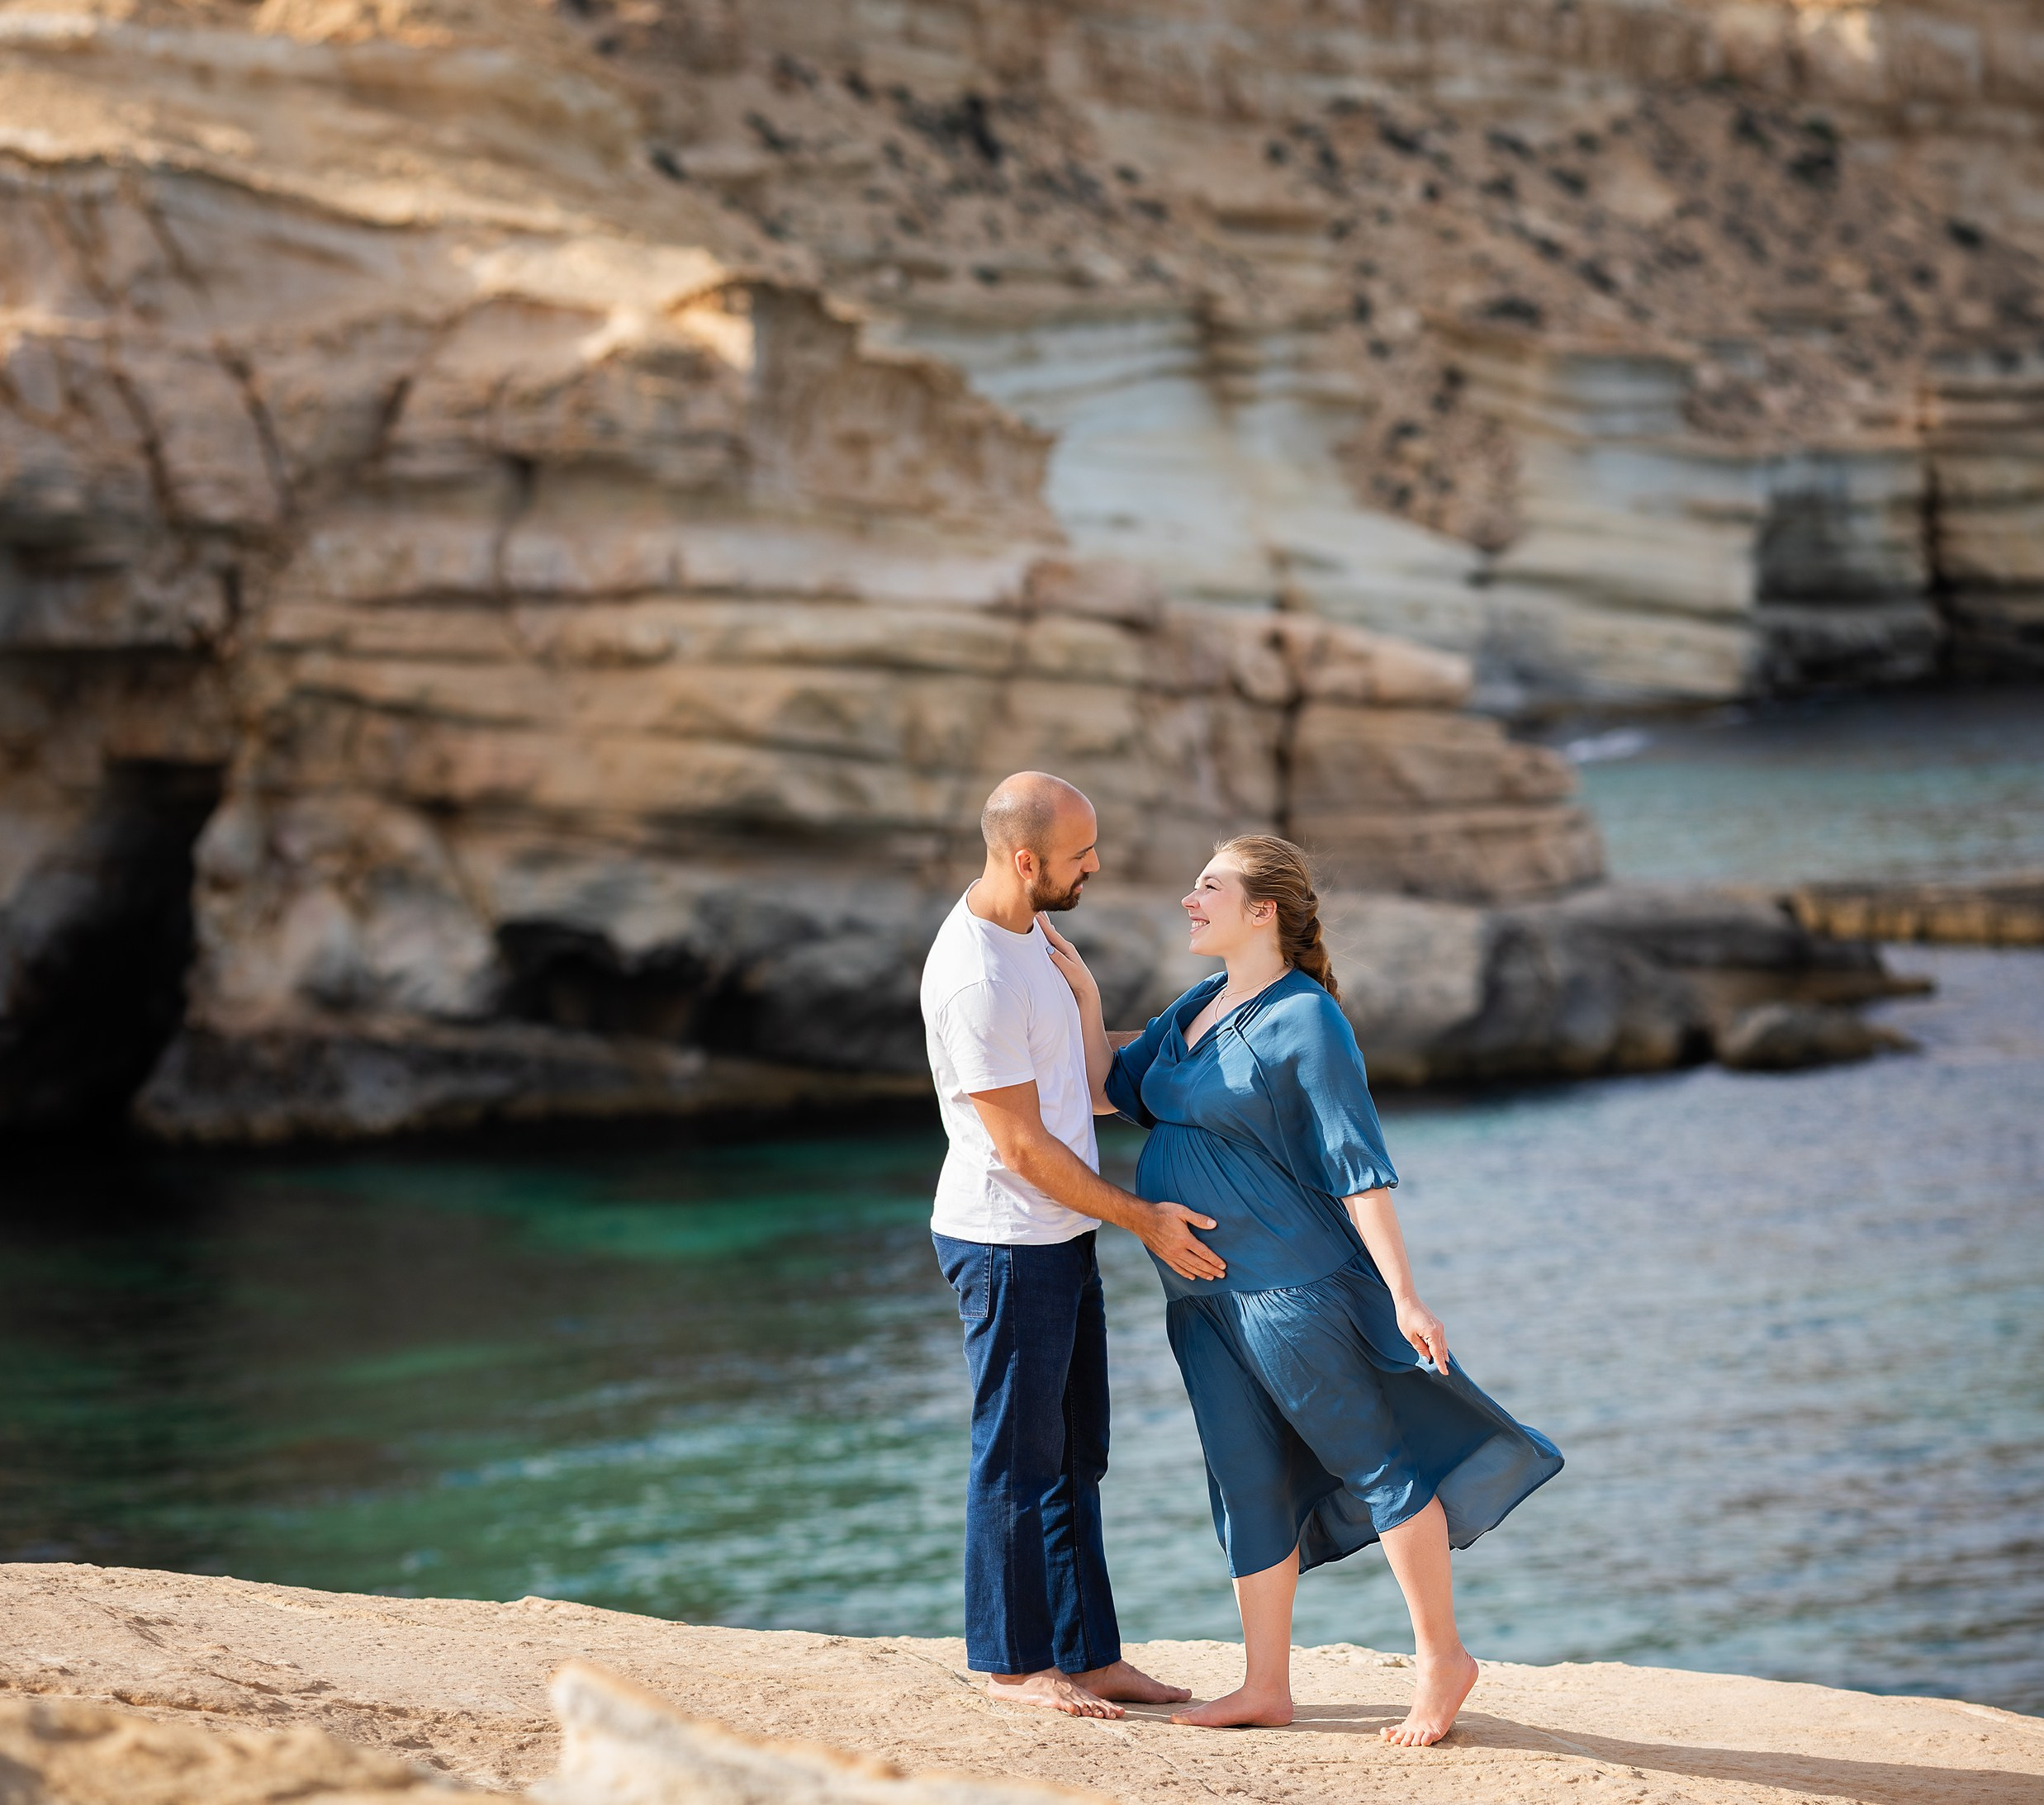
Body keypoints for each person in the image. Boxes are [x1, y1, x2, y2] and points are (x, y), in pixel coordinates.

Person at [1042, 833, 1563, 1747]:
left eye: (1209, 885)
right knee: (1245, 1477)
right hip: (1199, 1297)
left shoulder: (1307, 1018)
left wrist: (1406, 1294)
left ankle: (1444, 1659)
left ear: (1262, 910)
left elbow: (1359, 1164)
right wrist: (1085, 995)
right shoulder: (1198, 1004)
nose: (1188, 899)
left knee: (1377, 1462)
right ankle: (1264, 1683)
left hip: (1292, 1284)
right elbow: (1103, 1090)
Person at [920, 771, 1221, 1720]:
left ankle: (1088, 1652)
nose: (1095, 866)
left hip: (1058, 1232)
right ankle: (1014, 1662)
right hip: (1007, 1242)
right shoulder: (976, 972)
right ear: (1024, 858)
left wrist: (1226, 1032)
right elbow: (1019, 1143)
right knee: (1015, 1453)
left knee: (1075, 1452)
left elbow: (1085, 1083)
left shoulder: (1036, 941)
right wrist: (1144, 1217)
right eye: (1080, 854)